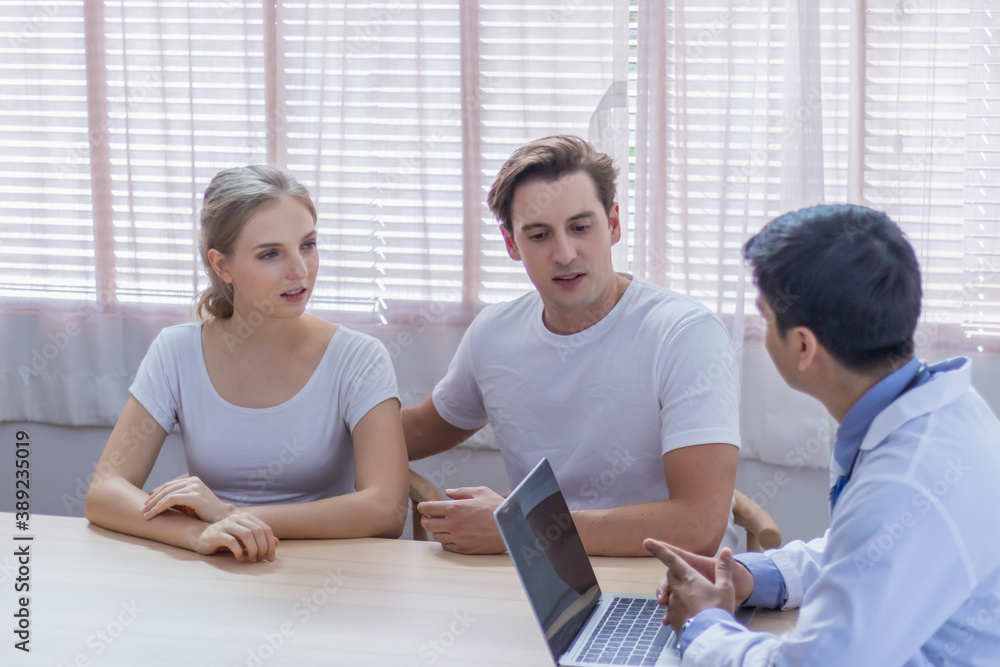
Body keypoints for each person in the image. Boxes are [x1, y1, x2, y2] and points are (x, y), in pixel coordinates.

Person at [645, 204, 1000, 665]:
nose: (760, 330)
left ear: (803, 345)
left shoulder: (906, 478)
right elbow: (865, 556)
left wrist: (702, 624)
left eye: (764, 317)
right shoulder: (939, 410)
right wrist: (753, 577)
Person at [403, 136, 742, 557]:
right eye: (539, 235)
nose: (564, 254)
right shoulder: (494, 333)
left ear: (613, 225)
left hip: (668, 577)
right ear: (512, 244)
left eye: (580, 228)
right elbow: (419, 431)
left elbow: (697, 525)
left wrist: (522, 527)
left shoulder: (685, 334)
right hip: (549, 578)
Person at [85, 165, 409, 562]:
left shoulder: (359, 358)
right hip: (217, 566)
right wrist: (198, 534)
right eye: (270, 254)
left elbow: (387, 509)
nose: (300, 270)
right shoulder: (176, 351)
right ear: (222, 266)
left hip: (324, 571)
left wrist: (228, 516)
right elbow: (104, 491)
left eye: (308, 245)